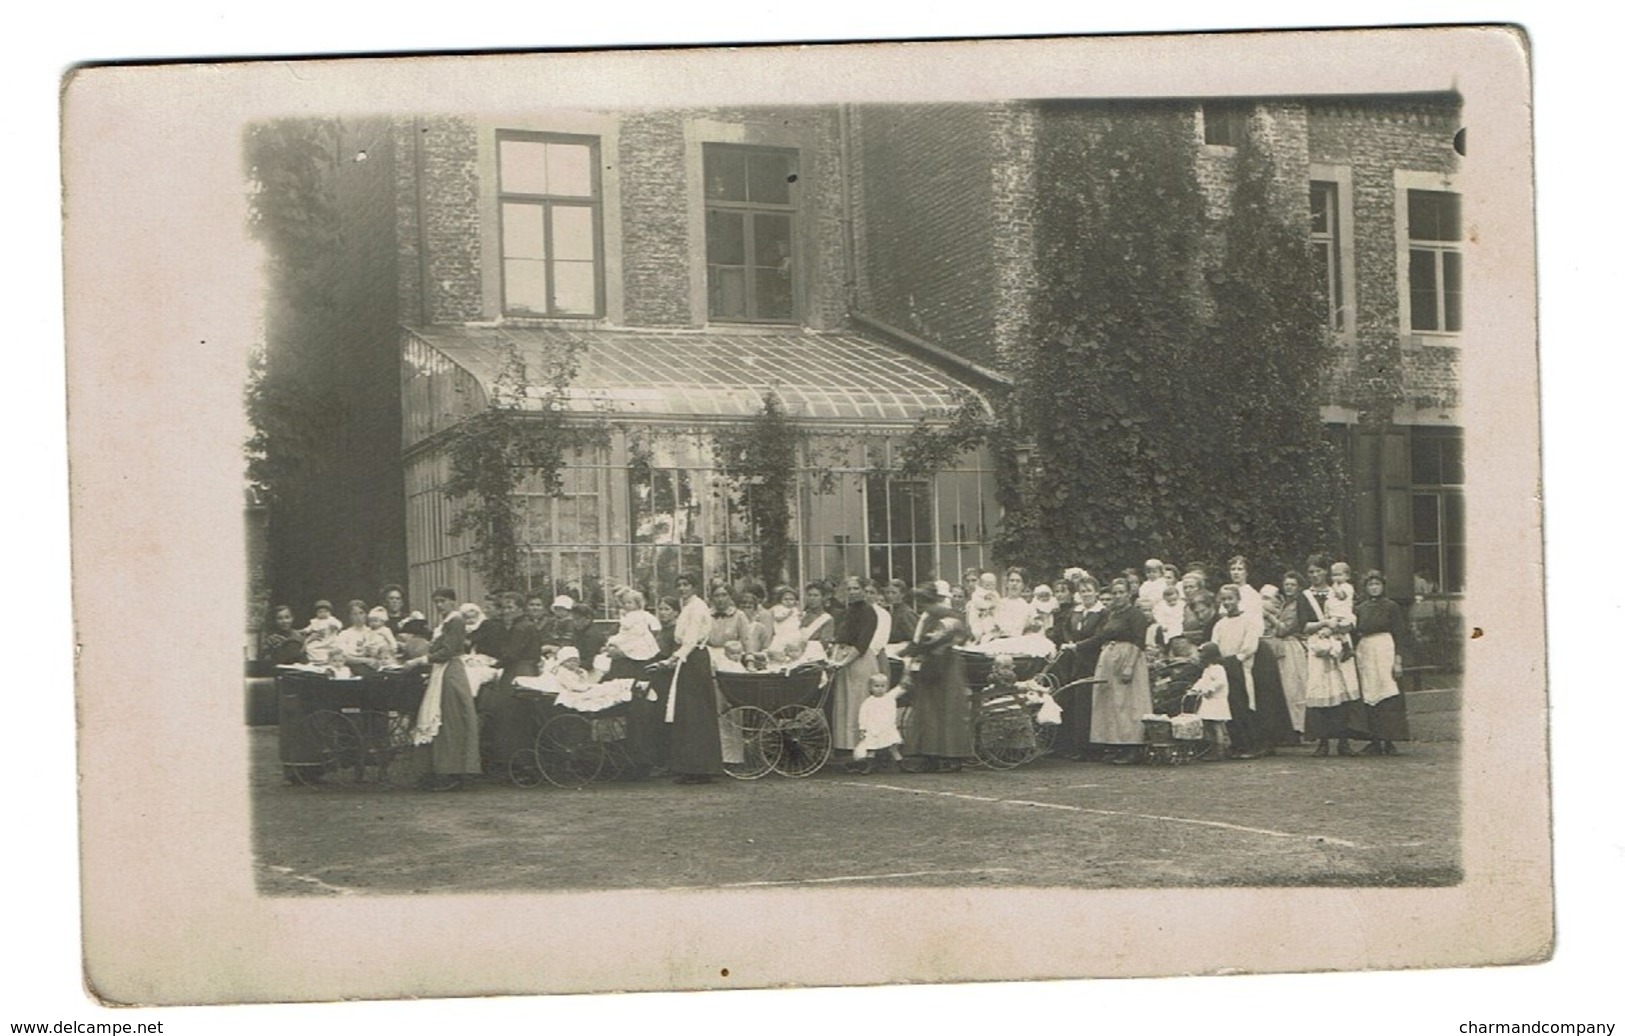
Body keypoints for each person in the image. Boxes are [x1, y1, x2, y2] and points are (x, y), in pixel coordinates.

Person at [404, 588, 482, 791]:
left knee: (450, 720)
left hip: (451, 673)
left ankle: (453, 772)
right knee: (442, 720)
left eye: (443, 601)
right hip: (441, 672)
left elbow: (447, 651)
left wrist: (418, 661)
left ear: (453, 602)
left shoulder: (456, 621)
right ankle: (442, 770)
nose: (439, 605)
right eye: (436, 601)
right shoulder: (445, 623)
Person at [658, 573, 725, 784]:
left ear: (694, 587)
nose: (682, 588)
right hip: (688, 659)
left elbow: (692, 638)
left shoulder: (697, 608)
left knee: (695, 713)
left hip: (694, 659)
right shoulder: (688, 607)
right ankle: (689, 767)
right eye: (679, 585)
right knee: (686, 713)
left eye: (686, 585)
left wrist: (673, 659)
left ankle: (701, 768)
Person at [900, 582, 973, 772]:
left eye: (925, 602)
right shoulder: (928, 616)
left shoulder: (949, 617)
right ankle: (930, 755)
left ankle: (952, 757)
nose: (923, 606)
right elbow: (920, 642)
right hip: (932, 666)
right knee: (928, 711)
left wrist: (915, 649)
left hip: (948, 667)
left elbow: (952, 637)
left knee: (948, 711)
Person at [1299, 554, 1363, 756]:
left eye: (1318, 570)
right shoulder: (1305, 596)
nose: (1315, 575)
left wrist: (1342, 627)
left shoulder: (1341, 590)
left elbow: (1352, 618)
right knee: (1320, 691)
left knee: (1343, 689)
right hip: (1318, 646)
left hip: (1340, 643)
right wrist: (1325, 624)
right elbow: (1304, 625)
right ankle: (1323, 741)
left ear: (1326, 571)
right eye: (1311, 572)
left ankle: (1344, 741)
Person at [1090, 577, 1153, 764]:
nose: (1118, 596)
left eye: (1121, 592)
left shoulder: (1136, 615)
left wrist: (1129, 666)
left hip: (1129, 659)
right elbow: (1101, 635)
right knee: (1113, 704)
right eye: (1115, 593)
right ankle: (1117, 745)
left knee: (1129, 705)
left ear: (1129, 593)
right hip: (1112, 660)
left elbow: (1139, 641)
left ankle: (1132, 748)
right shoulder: (1112, 614)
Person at [481, 591, 541, 775]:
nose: (506, 611)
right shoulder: (520, 625)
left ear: (520, 609)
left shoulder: (521, 627)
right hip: (520, 670)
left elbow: (512, 653)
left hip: (519, 671)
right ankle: (514, 761)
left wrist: (494, 664)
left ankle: (519, 763)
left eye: (510, 607)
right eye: (504, 607)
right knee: (511, 716)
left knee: (510, 715)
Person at [1352, 570, 1411, 755]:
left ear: (1383, 586)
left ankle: (1389, 740)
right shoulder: (1360, 608)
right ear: (1366, 587)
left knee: (1388, 691)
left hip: (1385, 648)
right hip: (1366, 651)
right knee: (1370, 692)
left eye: (1377, 584)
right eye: (1371, 585)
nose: (1374, 588)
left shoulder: (1391, 607)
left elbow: (1400, 634)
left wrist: (1398, 661)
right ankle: (1374, 741)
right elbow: (1354, 633)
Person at [1212, 584, 1268, 758]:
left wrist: (1239, 658)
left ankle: (1252, 745)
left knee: (1244, 703)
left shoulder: (1248, 621)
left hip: (1241, 666)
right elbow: (1215, 644)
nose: (1227, 602)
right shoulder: (1220, 624)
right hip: (1224, 667)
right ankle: (1237, 744)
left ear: (1238, 599)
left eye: (1230, 598)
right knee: (1229, 705)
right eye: (1224, 599)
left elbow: (1251, 644)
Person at [829, 576, 883, 753]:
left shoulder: (869, 612)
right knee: (847, 704)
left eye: (855, 589)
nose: (852, 592)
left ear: (863, 590)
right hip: (844, 660)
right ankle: (850, 749)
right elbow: (841, 636)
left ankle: (867, 750)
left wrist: (844, 661)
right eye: (849, 589)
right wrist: (835, 657)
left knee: (859, 706)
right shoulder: (848, 611)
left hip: (858, 661)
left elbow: (862, 643)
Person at [1268, 571, 1310, 738]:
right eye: (1287, 585)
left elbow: (1284, 629)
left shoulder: (1297, 605)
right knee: (1285, 687)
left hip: (1291, 646)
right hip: (1281, 646)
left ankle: (1299, 726)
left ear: (1298, 587)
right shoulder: (1283, 603)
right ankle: (1289, 727)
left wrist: (1269, 617)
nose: (1289, 588)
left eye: (1293, 585)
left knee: (1295, 687)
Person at [847, 672, 906, 774]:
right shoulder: (868, 702)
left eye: (882, 686)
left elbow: (900, 689)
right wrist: (862, 728)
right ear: (870, 688)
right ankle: (870, 766)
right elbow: (863, 716)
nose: (879, 689)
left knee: (893, 748)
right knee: (871, 748)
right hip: (873, 728)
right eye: (876, 686)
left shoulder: (889, 698)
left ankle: (901, 765)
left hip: (887, 728)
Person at [1190, 641, 1232, 760]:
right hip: (1209, 701)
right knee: (1209, 725)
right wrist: (1194, 689)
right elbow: (1202, 681)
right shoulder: (1208, 669)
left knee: (1217, 725)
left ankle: (1220, 750)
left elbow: (1220, 682)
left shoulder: (1218, 668)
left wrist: (1209, 689)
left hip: (1217, 701)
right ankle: (1215, 748)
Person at [993, 567, 1036, 640]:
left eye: (1018, 581)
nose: (1014, 584)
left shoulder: (1028, 607)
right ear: (1006, 584)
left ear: (1023, 585)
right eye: (1011, 580)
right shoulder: (998, 604)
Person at [883, 578, 918, 647]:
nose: (889, 596)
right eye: (887, 592)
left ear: (902, 594)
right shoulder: (891, 611)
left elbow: (914, 637)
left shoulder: (906, 613)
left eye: (894, 593)